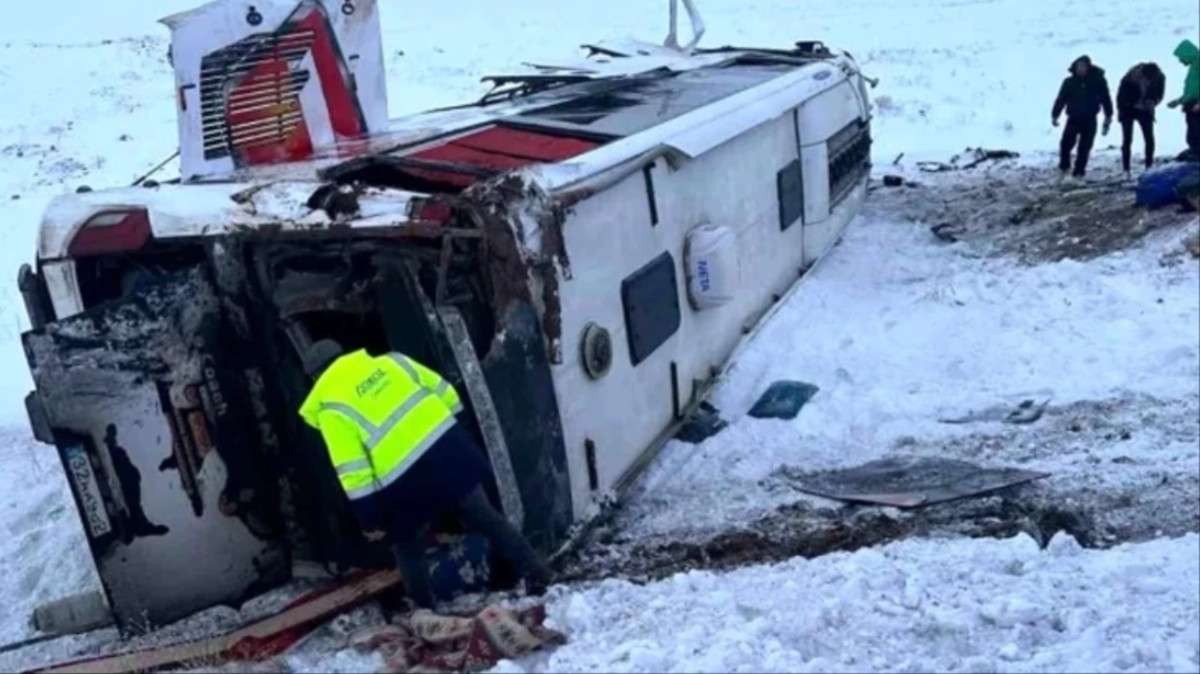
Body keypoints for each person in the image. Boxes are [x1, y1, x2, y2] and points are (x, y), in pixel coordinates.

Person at [298, 340, 552, 608]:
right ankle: (538, 572)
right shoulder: (393, 361)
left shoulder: (332, 408)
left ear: (316, 377)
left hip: (406, 481)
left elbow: (353, 470)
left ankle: (423, 612)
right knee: (487, 518)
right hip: (449, 451)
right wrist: (454, 435)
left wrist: (370, 518)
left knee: (406, 546)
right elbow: (447, 393)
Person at [1052, 55, 1114, 179]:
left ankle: (1079, 172)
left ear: (1088, 68)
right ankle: (1064, 166)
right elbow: (1061, 99)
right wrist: (1055, 115)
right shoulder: (1069, 82)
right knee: (1065, 144)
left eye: (1083, 67)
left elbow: (1106, 98)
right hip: (1073, 118)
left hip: (1090, 119)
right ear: (1075, 68)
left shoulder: (1098, 81)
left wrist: (1108, 116)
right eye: (1078, 67)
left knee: (1084, 148)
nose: (1080, 69)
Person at [1115, 62, 1166, 176]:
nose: (1147, 82)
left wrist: (1153, 101)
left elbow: (1160, 94)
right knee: (1127, 139)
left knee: (1149, 138)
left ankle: (1149, 167)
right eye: (1146, 79)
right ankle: (1126, 169)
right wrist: (1121, 110)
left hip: (1145, 109)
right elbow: (1120, 95)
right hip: (1128, 108)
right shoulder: (1130, 77)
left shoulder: (1159, 78)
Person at [1166, 39, 1200, 158]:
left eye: (1181, 57)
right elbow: (1191, 90)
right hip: (1191, 104)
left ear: (1187, 54)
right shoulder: (1193, 66)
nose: (1180, 61)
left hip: (1196, 105)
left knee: (1196, 128)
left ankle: (1197, 152)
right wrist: (1178, 101)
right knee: (1192, 129)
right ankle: (1194, 149)